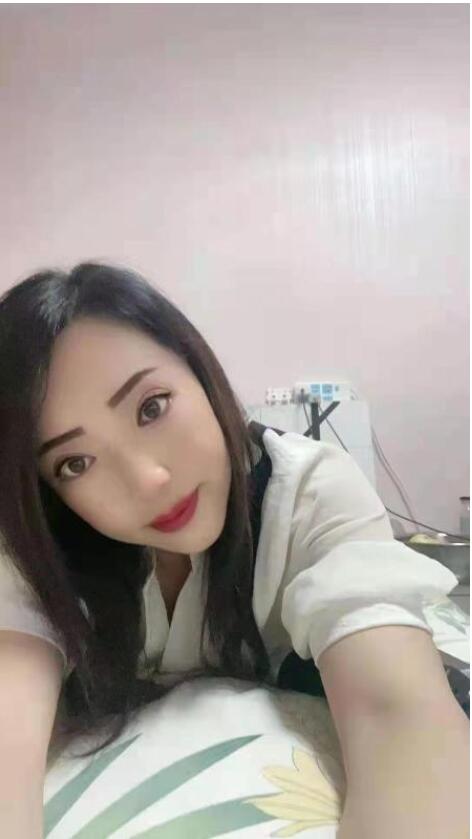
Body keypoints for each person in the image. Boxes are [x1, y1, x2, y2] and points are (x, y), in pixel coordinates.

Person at [0, 262, 468, 838]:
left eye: (152, 407)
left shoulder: (308, 493)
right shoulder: (36, 546)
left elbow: (396, 712)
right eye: (76, 463)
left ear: (199, 371)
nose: (148, 480)